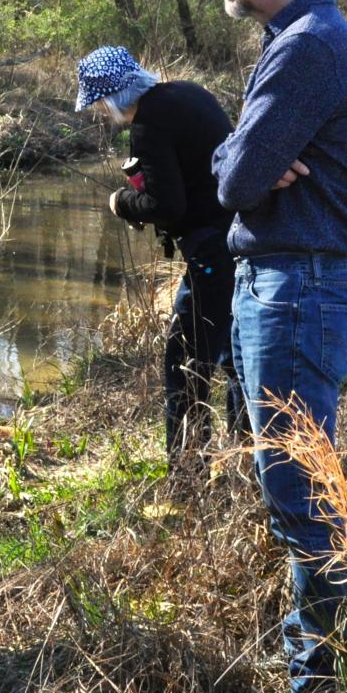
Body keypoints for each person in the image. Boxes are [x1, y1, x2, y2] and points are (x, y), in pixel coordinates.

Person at [204, 0, 347, 693]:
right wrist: (242, 158)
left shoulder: (308, 45)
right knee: (293, 481)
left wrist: (243, 162)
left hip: (298, 285)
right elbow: (232, 167)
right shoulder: (297, 39)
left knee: (301, 492)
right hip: (281, 282)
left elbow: (235, 179)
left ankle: (322, 692)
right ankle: (324, 670)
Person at [75, 46, 247, 468]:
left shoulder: (149, 124)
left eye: (99, 104)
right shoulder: (189, 93)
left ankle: (187, 473)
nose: (100, 112)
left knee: (184, 362)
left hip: (210, 248)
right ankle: (249, 458)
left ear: (111, 97)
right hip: (239, 238)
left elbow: (166, 205)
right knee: (235, 356)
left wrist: (123, 202)